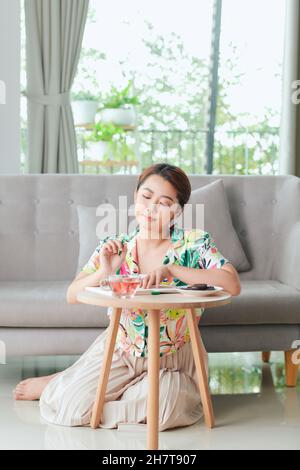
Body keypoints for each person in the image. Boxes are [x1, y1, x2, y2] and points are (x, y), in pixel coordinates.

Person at [13, 163, 241, 431]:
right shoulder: (116, 245)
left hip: (175, 359)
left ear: (177, 211)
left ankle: (93, 393)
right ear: (135, 197)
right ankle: (67, 383)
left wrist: (173, 270)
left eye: (164, 202)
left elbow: (232, 283)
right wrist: (105, 272)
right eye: (146, 197)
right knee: (70, 411)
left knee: (165, 410)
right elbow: (73, 294)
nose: (152, 208)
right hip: (122, 351)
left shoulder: (194, 243)